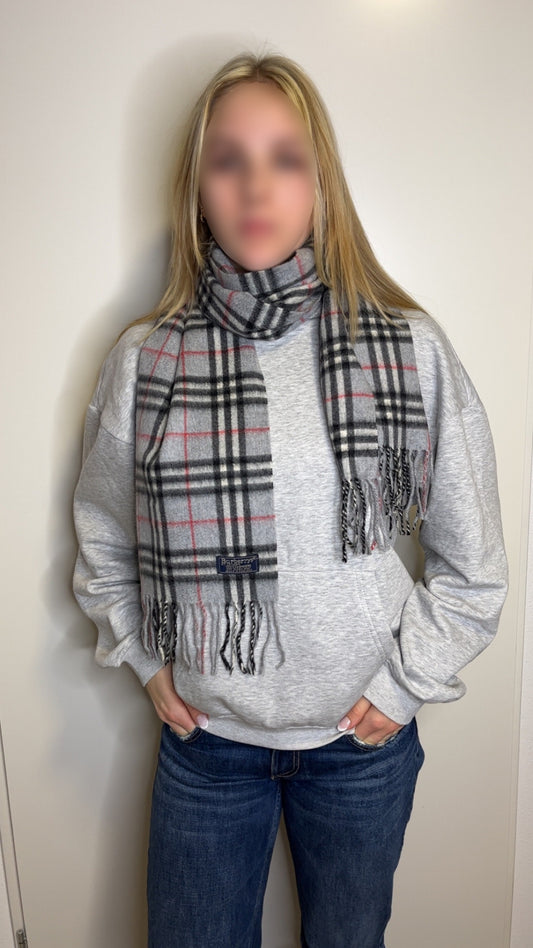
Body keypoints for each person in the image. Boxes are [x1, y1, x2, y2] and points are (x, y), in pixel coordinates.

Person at [72, 51, 508, 948]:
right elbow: (103, 536)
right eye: (228, 160)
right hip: (207, 750)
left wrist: (403, 686)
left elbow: (474, 568)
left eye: (285, 158)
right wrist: (146, 661)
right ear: (198, 190)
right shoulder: (146, 360)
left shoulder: (407, 348)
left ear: (320, 185)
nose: (255, 186)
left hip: (360, 748)